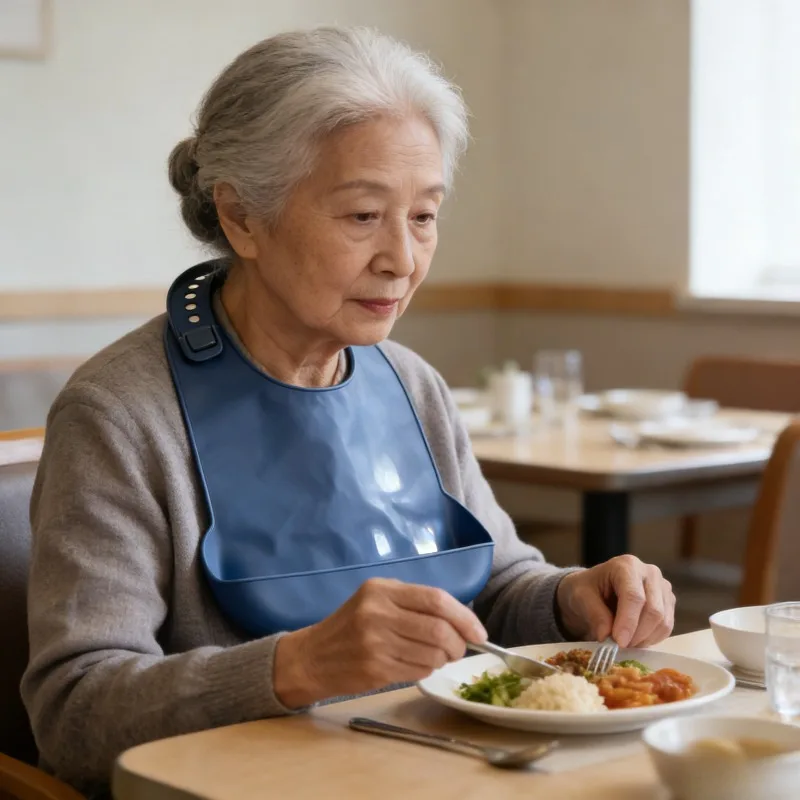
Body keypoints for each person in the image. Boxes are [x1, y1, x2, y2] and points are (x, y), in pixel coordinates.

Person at [22, 26, 675, 795]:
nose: (403, 257)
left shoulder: (411, 382)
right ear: (241, 218)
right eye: (363, 216)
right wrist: (295, 666)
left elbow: (494, 588)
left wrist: (571, 598)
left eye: (424, 216)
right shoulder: (122, 413)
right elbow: (73, 715)